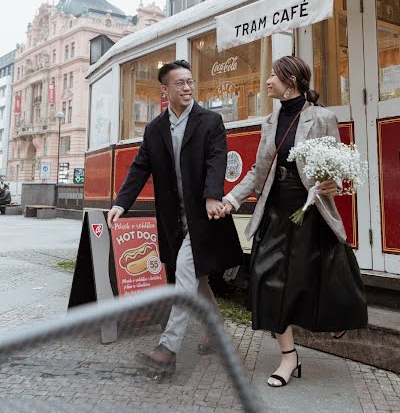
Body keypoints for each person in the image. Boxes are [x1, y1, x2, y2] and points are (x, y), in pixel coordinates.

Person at [222, 55, 367, 388]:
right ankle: (289, 357)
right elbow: (259, 173)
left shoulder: (322, 117)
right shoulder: (269, 122)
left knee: (319, 278)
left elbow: (338, 167)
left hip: (310, 212)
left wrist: (335, 182)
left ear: (290, 80)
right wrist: (233, 198)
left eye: (273, 75)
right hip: (274, 213)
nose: (267, 81)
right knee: (266, 281)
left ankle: (335, 319)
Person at [107, 59, 242, 374]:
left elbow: (216, 158)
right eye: (180, 83)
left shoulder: (210, 121)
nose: (187, 88)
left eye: (190, 82)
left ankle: (168, 349)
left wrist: (212, 195)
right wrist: (121, 203)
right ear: (164, 90)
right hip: (174, 219)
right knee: (198, 278)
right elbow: (141, 167)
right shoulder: (155, 128)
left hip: (203, 216)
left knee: (184, 271)